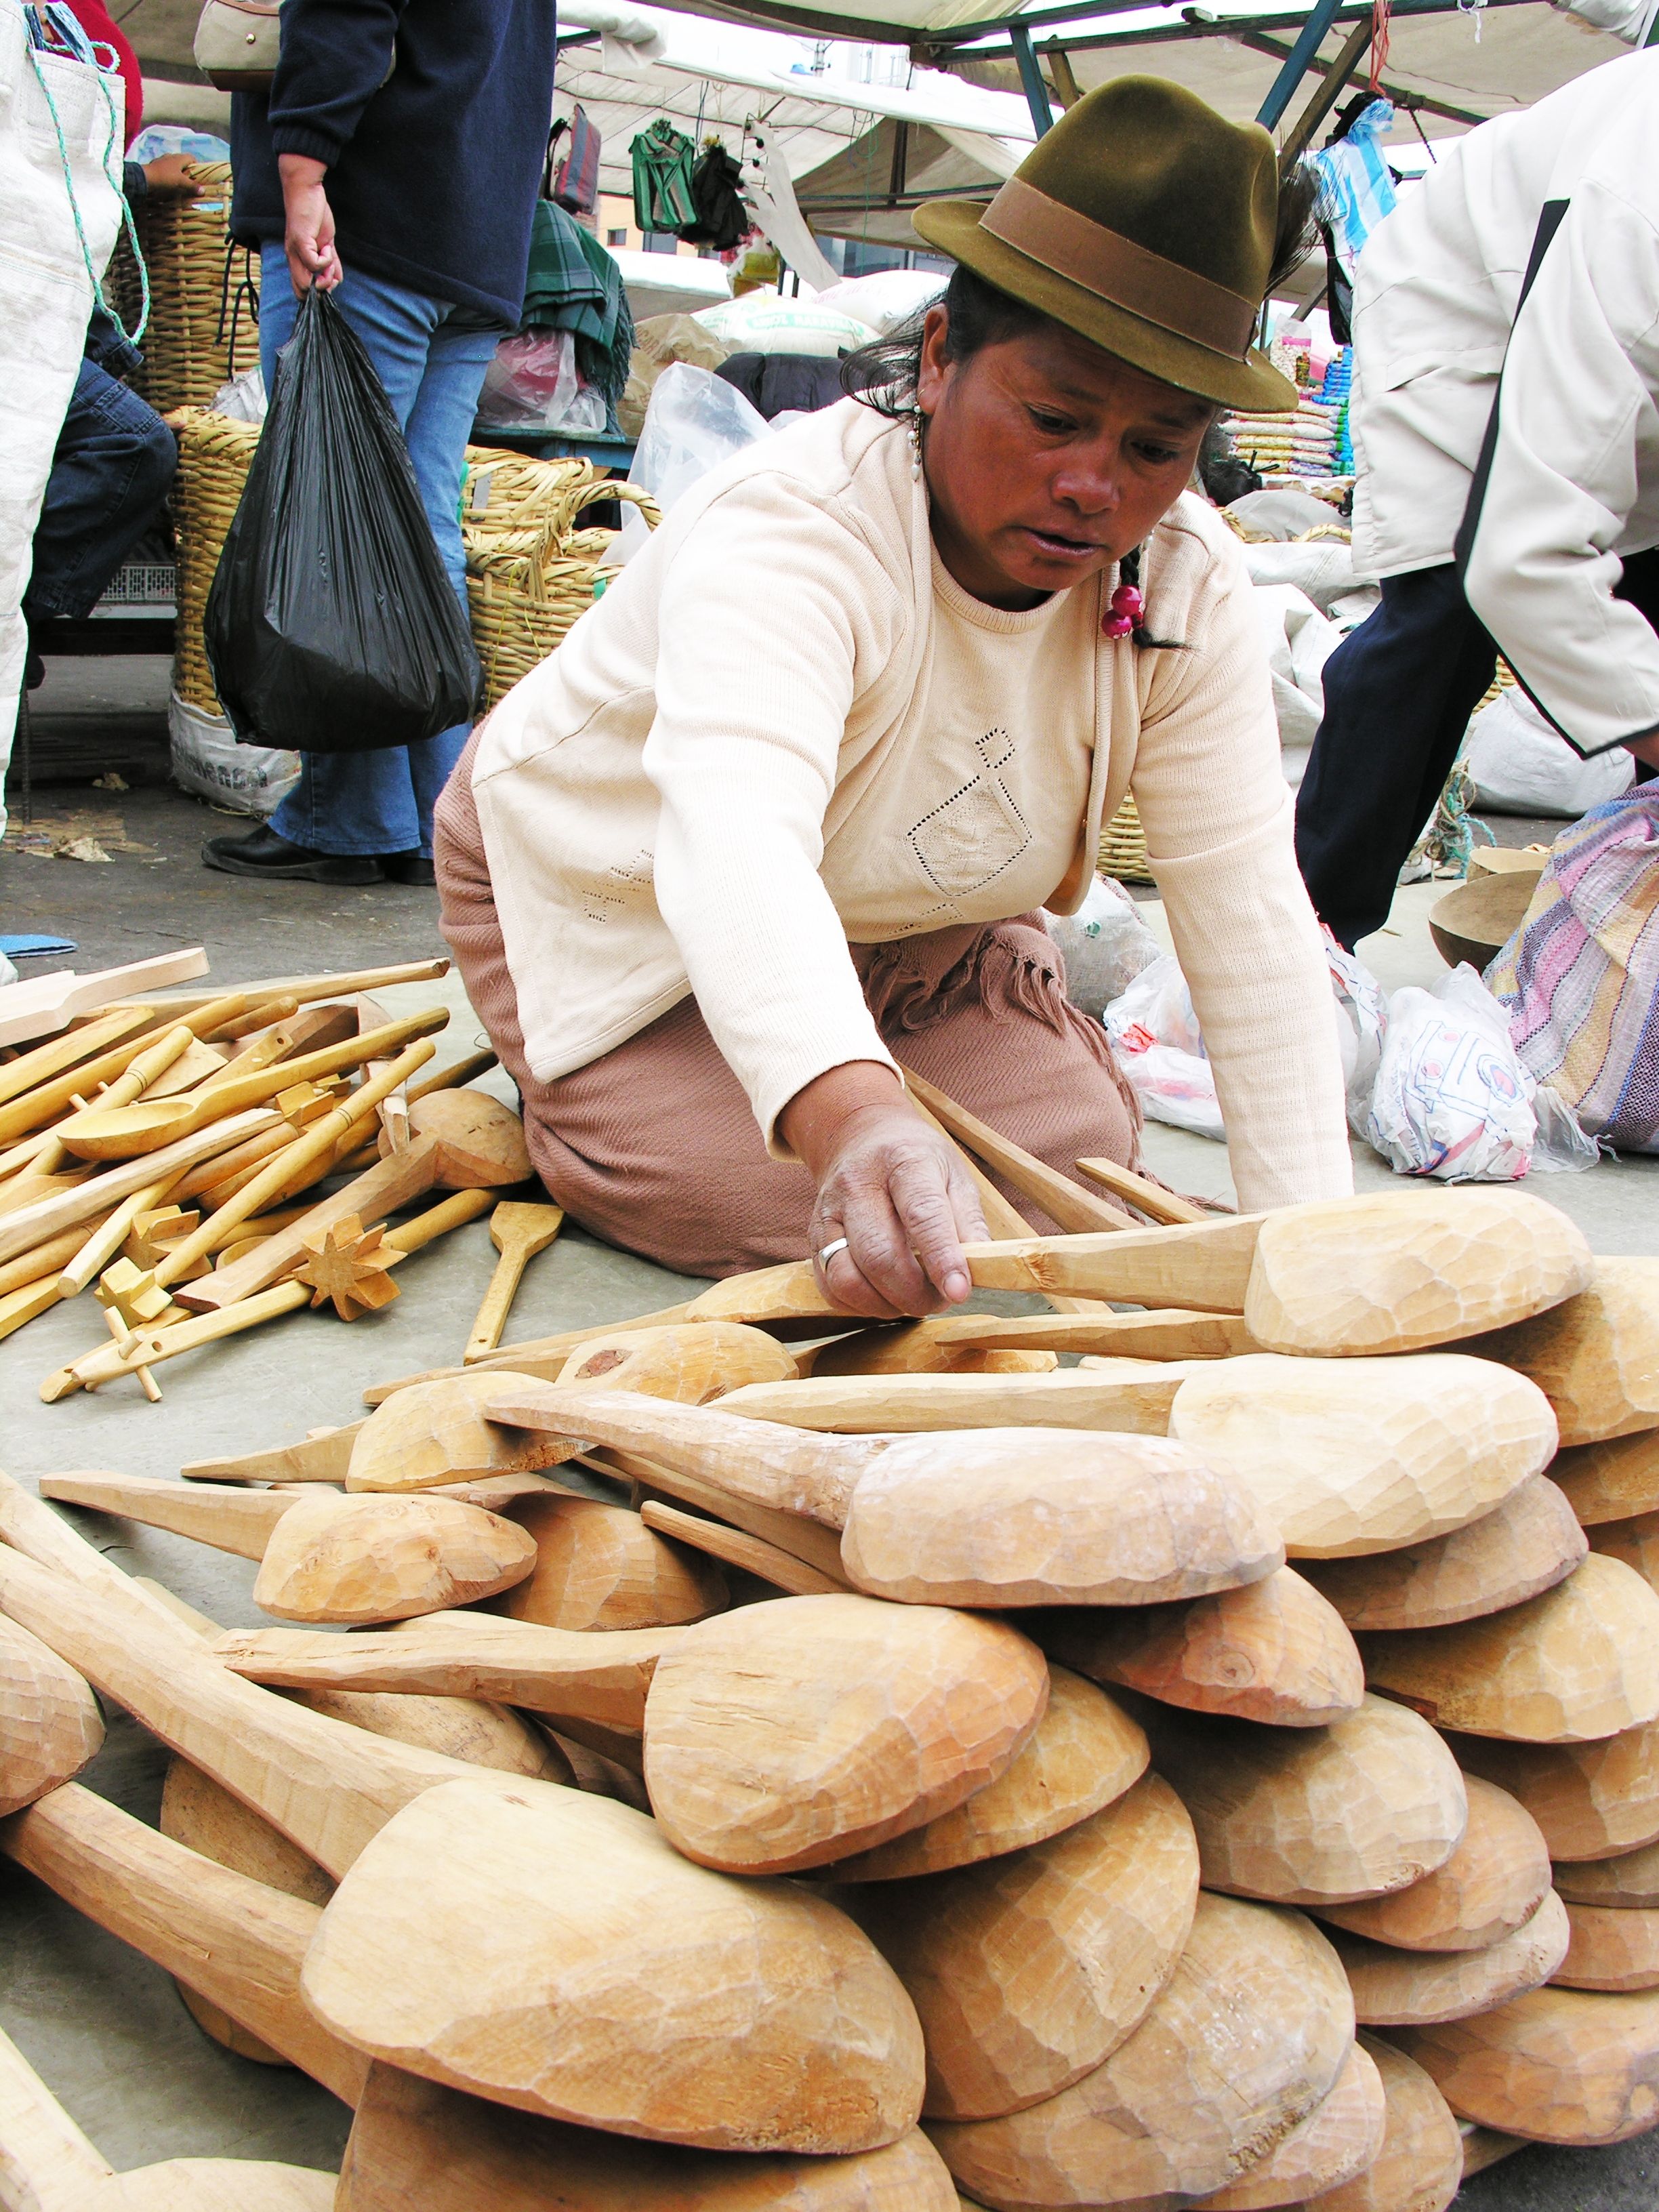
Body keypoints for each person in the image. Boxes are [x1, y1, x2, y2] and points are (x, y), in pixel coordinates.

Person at [436, 79, 1353, 1317]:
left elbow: (1245, 911)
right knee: (819, 1213)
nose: (1093, 485)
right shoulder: (797, 529)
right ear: (937, 361)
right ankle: (594, 1093)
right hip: (625, 892)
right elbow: (735, 843)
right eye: (1051, 416)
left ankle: (857, 1048)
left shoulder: (1182, 579)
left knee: (1060, 1175)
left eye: (1154, 447)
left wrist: (1320, 1256)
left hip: (906, 914)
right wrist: (855, 1113)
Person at [1295, 52, 1659, 951]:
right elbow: (1520, 560)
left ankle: (1625, 955)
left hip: (1606, 334)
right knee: (1443, 620)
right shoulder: (1636, 211)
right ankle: (1305, 943)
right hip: (1466, 301)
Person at [205, 0, 559, 888]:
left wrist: (302, 168)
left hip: (375, 213)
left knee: (335, 512)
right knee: (416, 523)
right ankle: (437, 821)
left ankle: (353, 817)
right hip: (472, 231)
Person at [24, 3, 194, 689]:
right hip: (22, 310)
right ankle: (19, 612)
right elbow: (38, 171)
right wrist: (140, 181)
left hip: (52, 306)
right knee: (131, 443)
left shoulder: (66, 17)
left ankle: (19, 617)